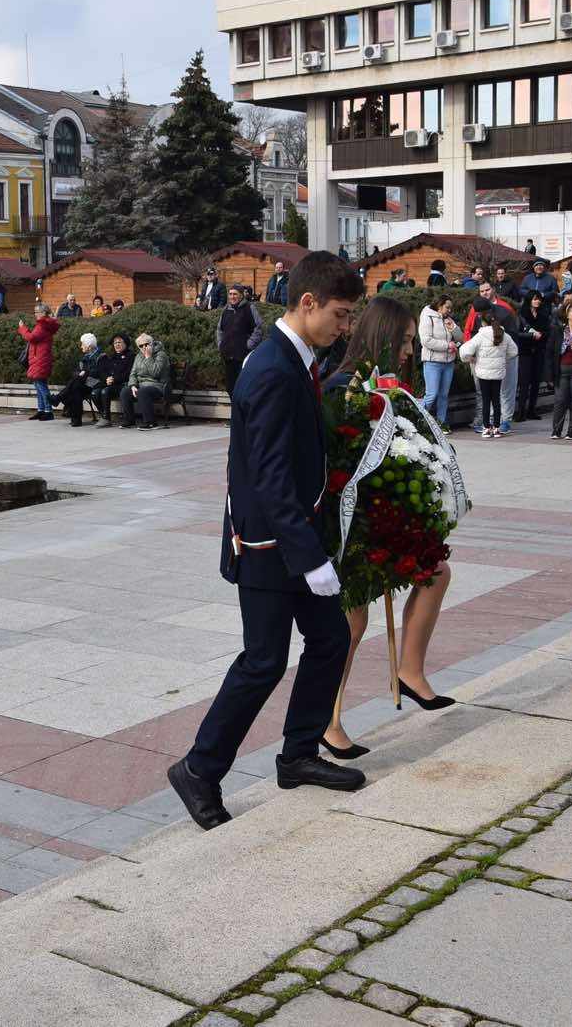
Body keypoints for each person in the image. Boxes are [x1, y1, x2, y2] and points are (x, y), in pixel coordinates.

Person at [169, 251, 365, 831]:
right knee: (263, 660)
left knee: (328, 639)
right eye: (341, 314)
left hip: (291, 537)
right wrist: (310, 560)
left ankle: (298, 753)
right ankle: (200, 770)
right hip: (267, 545)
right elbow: (270, 475)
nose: (345, 326)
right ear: (308, 304)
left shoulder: (294, 360)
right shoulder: (274, 368)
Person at [318, 295, 456, 755]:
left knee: (436, 571)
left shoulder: (390, 388)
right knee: (352, 622)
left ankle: (409, 670)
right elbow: (338, 460)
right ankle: (328, 719)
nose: (408, 352)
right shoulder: (340, 388)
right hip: (349, 526)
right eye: (403, 342)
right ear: (381, 338)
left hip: (383, 518)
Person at [459, 310, 516, 439]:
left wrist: (470, 358)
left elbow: (465, 350)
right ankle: (496, 427)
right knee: (496, 400)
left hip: (483, 373)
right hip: (498, 373)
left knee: (486, 400)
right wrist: (503, 358)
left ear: (483, 322)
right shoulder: (504, 335)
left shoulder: (481, 335)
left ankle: (486, 427)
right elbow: (514, 351)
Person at [418, 294, 459, 429]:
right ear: (439, 306)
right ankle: (416, 418)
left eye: (451, 308)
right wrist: (448, 345)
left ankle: (441, 424)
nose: (449, 310)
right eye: (447, 307)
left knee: (443, 395)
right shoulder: (427, 317)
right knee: (432, 394)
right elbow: (426, 341)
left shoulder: (448, 319)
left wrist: (453, 328)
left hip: (449, 362)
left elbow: (461, 337)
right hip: (432, 362)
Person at [548, 297, 572, 440]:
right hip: (561, 370)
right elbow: (550, 352)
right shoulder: (558, 330)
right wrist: (549, 374)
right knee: (560, 401)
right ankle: (556, 430)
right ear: (567, 313)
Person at [216, 283, 264, 395]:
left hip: (243, 356)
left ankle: (242, 412)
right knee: (230, 389)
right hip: (228, 357)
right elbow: (219, 329)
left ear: (241, 295)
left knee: (243, 389)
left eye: (235, 294)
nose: (232, 296)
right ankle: (235, 411)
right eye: (230, 294)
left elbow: (259, 328)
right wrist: (220, 344)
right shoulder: (225, 310)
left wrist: (248, 345)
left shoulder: (249, 308)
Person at [18, 304, 60, 421]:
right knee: (38, 385)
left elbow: (31, 337)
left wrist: (22, 328)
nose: (35, 314)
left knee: (41, 386)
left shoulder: (43, 325)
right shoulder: (44, 324)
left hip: (40, 359)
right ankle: (41, 410)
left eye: (37, 312)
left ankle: (48, 411)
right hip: (39, 358)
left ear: (43, 313)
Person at [119, 333, 170, 430]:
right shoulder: (138, 356)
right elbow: (133, 373)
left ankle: (150, 422)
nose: (144, 347)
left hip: (158, 386)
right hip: (142, 385)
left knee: (143, 391)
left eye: (146, 344)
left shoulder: (161, 355)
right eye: (140, 346)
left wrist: (148, 357)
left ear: (151, 343)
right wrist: (133, 385)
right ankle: (129, 420)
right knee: (125, 391)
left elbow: (155, 373)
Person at [512, 290, 549, 421]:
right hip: (525, 351)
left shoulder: (543, 315)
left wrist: (541, 335)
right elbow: (517, 333)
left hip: (538, 351)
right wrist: (532, 335)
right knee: (524, 382)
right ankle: (520, 411)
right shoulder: (522, 314)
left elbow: (547, 332)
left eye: (538, 299)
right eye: (534, 299)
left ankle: (532, 410)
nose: (537, 301)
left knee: (535, 382)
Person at [94, 333, 133, 425]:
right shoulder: (111, 356)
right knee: (94, 393)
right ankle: (103, 415)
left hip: (122, 384)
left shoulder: (130, 356)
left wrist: (114, 379)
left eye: (119, 342)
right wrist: (107, 378)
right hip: (109, 383)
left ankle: (106, 418)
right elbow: (103, 371)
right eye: (115, 343)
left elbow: (129, 373)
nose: (117, 345)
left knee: (105, 391)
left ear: (126, 343)